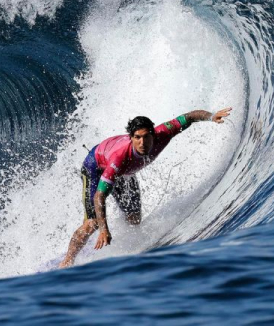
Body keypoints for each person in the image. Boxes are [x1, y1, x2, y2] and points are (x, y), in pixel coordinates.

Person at [58, 107, 232, 268]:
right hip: (95, 166)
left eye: (146, 136)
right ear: (131, 137)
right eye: (137, 137)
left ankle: (124, 253)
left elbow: (189, 117)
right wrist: (104, 229)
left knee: (134, 219)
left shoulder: (163, 133)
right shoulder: (119, 157)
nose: (142, 142)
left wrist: (211, 116)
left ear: (153, 135)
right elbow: (99, 196)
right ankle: (67, 261)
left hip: (125, 173)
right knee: (92, 223)